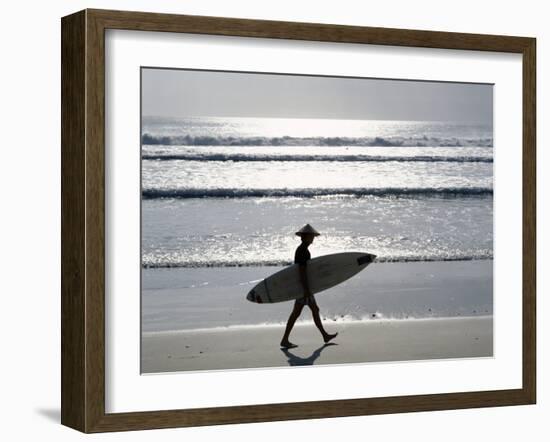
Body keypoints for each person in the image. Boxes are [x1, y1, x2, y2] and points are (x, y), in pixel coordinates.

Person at [280, 224, 338, 349]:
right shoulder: (303, 251)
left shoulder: (302, 249)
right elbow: (301, 271)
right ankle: (285, 339)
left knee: (308, 311)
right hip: (304, 288)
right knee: (300, 313)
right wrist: (306, 289)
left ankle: (324, 335)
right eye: (311, 236)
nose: (313, 238)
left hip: (303, 287)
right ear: (305, 237)